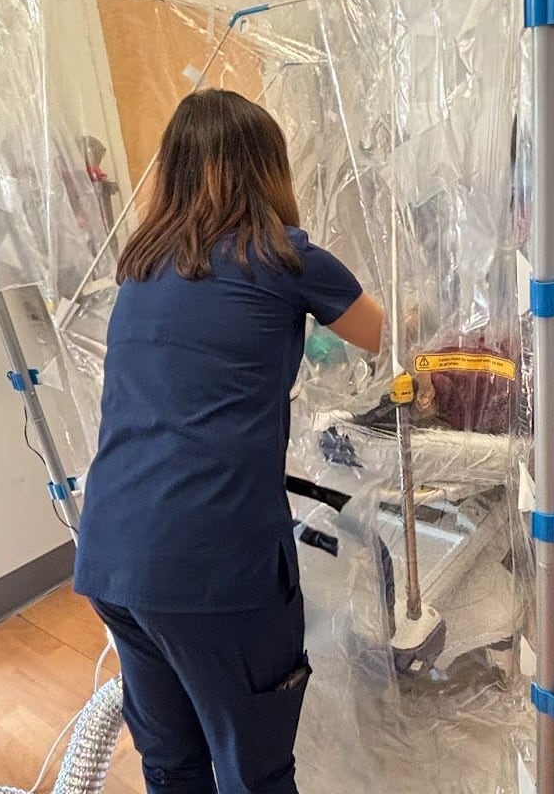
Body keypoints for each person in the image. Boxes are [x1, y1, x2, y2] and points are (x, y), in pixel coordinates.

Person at [73, 89, 383, 794]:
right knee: (255, 772)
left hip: (115, 557)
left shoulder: (141, 267)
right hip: (212, 566)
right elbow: (385, 336)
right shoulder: (286, 256)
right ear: (268, 169)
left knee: (172, 763)